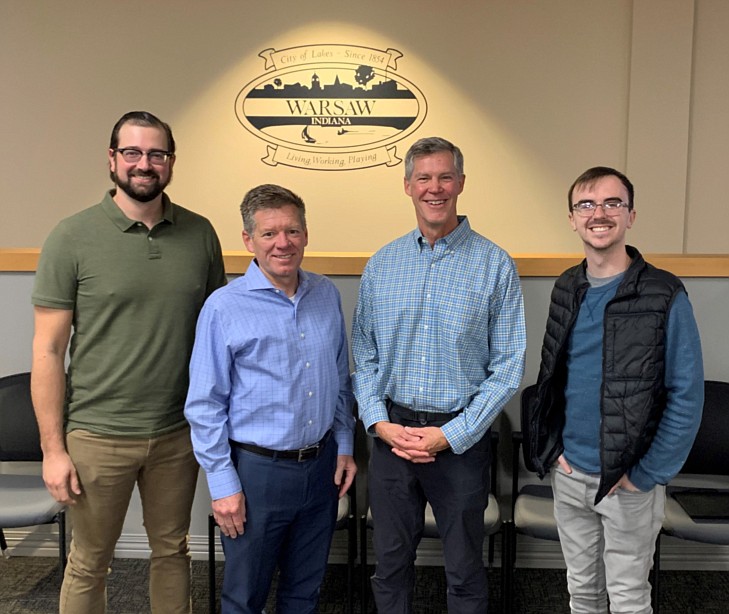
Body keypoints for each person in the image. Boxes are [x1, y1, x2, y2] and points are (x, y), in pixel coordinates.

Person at [30, 110, 226, 614]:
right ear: (112, 159)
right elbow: (48, 351)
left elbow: (217, 335)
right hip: (97, 434)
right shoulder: (71, 237)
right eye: (133, 153)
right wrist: (53, 449)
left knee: (172, 551)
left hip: (177, 432)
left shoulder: (200, 234)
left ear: (171, 162)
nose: (144, 164)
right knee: (89, 561)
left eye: (156, 154)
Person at [352, 137, 526, 613]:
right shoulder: (382, 264)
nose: (435, 188)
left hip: (461, 440)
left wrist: (453, 434)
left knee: (466, 570)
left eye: (445, 177)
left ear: (461, 184)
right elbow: (363, 353)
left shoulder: (494, 265)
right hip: (393, 435)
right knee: (389, 565)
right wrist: (379, 423)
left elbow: (508, 365)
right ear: (407, 185)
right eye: (424, 178)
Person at [525, 166, 704, 613]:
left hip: (629, 480)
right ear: (572, 218)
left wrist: (647, 474)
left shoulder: (664, 293)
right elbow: (553, 377)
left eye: (612, 203)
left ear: (631, 216)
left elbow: (686, 394)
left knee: (627, 597)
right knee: (582, 593)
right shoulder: (568, 286)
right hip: (571, 474)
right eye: (586, 204)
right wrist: (554, 451)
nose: (598, 213)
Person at [184, 184, 357, 614]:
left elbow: (339, 378)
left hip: (320, 469)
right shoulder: (223, 307)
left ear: (305, 234)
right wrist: (222, 484)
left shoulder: (325, 293)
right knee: (245, 596)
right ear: (248, 240)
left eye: (293, 231)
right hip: (256, 474)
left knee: (305, 591)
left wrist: (345, 445)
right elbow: (204, 406)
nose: (283, 243)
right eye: (269, 233)